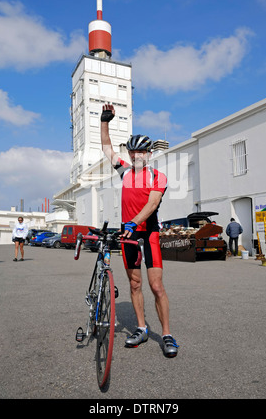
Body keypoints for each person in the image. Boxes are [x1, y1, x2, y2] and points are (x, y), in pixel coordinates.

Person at [101, 104, 178, 358]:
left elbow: (153, 203)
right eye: (132, 151)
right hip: (129, 233)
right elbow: (106, 149)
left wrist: (134, 223)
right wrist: (104, 122)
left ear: (149, 154)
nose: (136, 156)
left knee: (156, 286)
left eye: (141, 152)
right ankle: (142, 328)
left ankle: (166, 334)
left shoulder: (158, 176)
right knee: (135, 284)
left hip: (149, 231)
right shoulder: (125, 173)